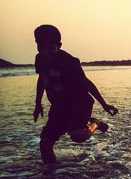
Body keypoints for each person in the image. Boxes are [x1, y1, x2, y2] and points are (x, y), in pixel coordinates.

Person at [33, 24, 118, 164]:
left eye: (50, 48)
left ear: (59, 45)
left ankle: (95, 123)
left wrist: (104, 104)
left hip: (80, 102)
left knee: (78, 136)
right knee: (45, 144)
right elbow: (42, 80)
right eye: (41, 48)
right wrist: (38, 104)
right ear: (37, 44)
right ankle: (50, 177)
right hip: (59, 106)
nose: (46, 53)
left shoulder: (69, 62)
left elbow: (86, 83)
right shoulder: (40, 59)